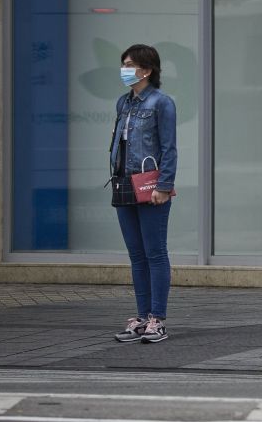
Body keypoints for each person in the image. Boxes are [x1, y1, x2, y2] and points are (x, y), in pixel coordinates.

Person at [109, 44, 178, 344]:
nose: (124, 70)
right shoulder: (123, 104)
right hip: (123, 183)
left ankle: (157, 320)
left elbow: (169, 149)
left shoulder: (162, 103)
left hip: (150, 187)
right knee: (136, 255)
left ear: (147, 70)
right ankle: (141, 316)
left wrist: (164, 186)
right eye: (123, 64)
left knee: (155, 252)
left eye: (130, 65)